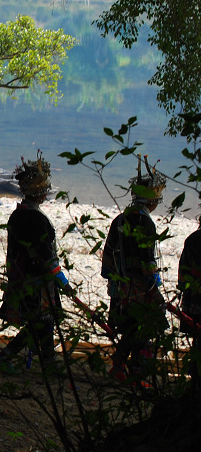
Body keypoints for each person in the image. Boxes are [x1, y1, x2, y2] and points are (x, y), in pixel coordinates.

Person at [0, 153, 71, 374]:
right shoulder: (38, 220)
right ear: (42, 193)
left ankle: (48, 362)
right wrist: (63, 282)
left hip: (21, 277)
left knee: (43, 322)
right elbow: (48, 257)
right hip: (37, 281)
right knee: (41, 321)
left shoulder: (17, 215)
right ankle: (9, 356)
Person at [101, 159, 168, 383]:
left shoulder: (120, 219)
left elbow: (108, 253)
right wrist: (153, 285)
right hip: (140, 286)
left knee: (131, 327)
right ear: (151, 201)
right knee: (143, 327)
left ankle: (123, 367)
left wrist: (115, 280)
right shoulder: (147, 224)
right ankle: (134, 369)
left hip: (121, 284)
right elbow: (147, 260)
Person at [178, 215, 201, 383]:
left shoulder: (192, 239)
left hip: (192, 302)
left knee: (197, 341)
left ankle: (194, 378)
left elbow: (183, 274)